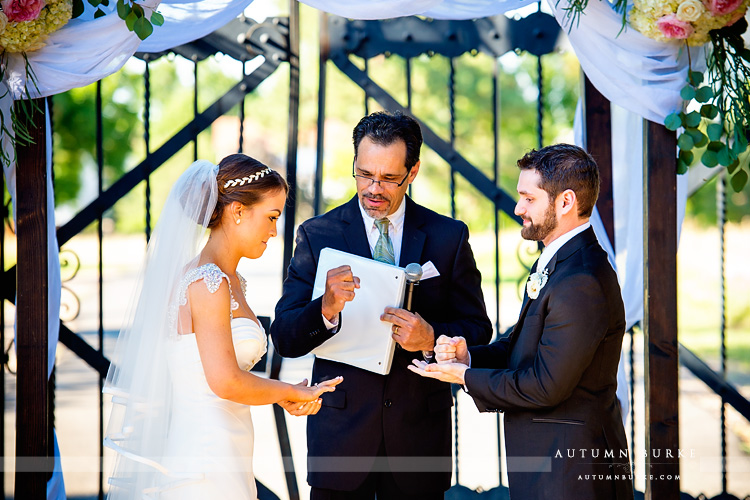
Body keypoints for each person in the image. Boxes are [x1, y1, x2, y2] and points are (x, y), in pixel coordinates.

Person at [271, 111, 493, 499]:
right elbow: (286, 338)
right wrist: (324, 308)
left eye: (389, 178)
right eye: (364, 174)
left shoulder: (448, 236)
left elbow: (478, 329)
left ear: (413, 171)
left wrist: (431, 338)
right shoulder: (317, 234)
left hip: (419, 438)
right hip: (339, 439)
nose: (373, 188)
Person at [103, 154, 342, 500]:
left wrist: (286, 394)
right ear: (238, 211)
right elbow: (225, 381)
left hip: (230, 445)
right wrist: (289, 392)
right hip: (205, 453)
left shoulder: (232, 281)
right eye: (271, 217)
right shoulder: (209, 282)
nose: (275, 231)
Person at [409, 144, 634, 500]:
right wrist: (469, 358)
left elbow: (546, 386)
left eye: (529, 198)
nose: (518, 208)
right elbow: (522, 346)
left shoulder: (582, 280)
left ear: (565, 202)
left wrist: (464, 377)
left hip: (573, 472)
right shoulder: (560, 262)